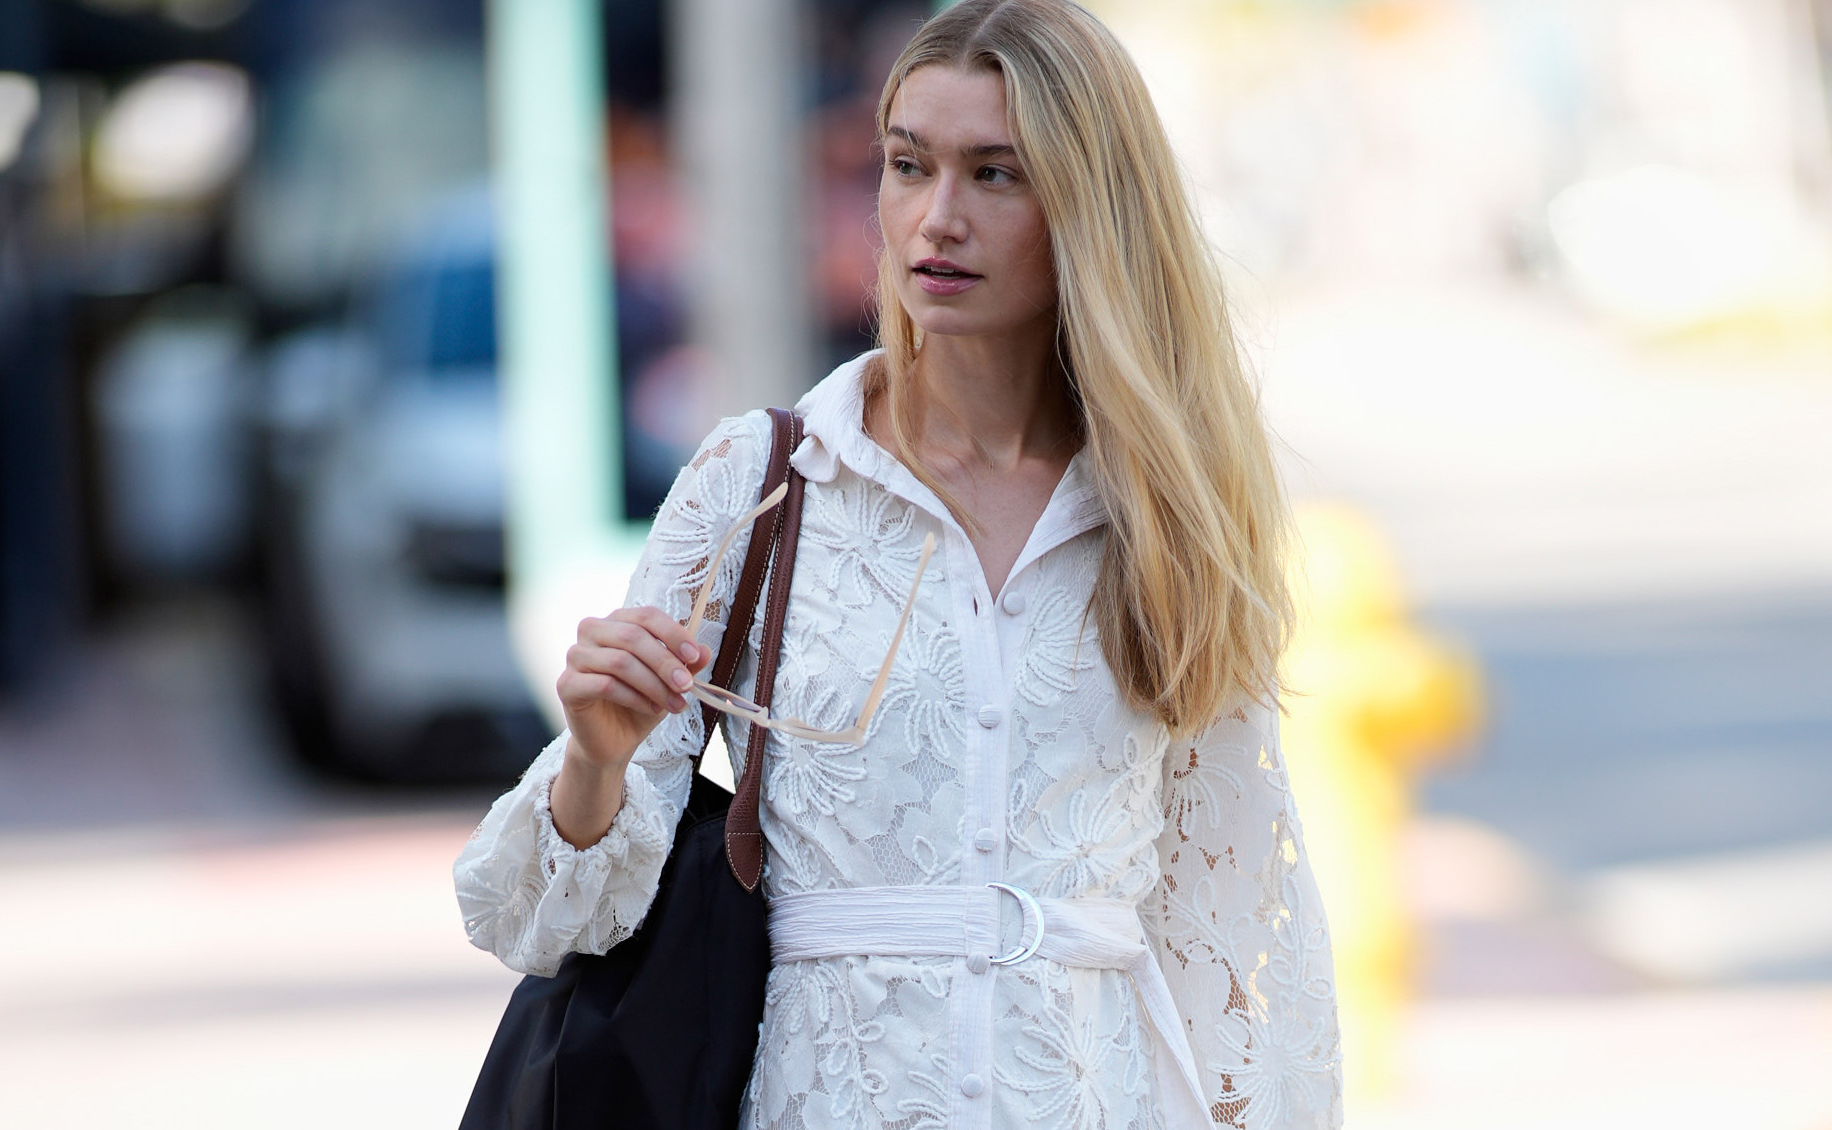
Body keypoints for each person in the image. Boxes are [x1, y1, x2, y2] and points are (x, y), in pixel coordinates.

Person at [454, 1, 1342, 1126]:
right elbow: (537, 918)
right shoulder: (762, 480)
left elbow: (1230, 927)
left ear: (1089, 204)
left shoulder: (1166, 511)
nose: (936, 217)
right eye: (907, 165)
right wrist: (593, 757)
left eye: (995, 175)